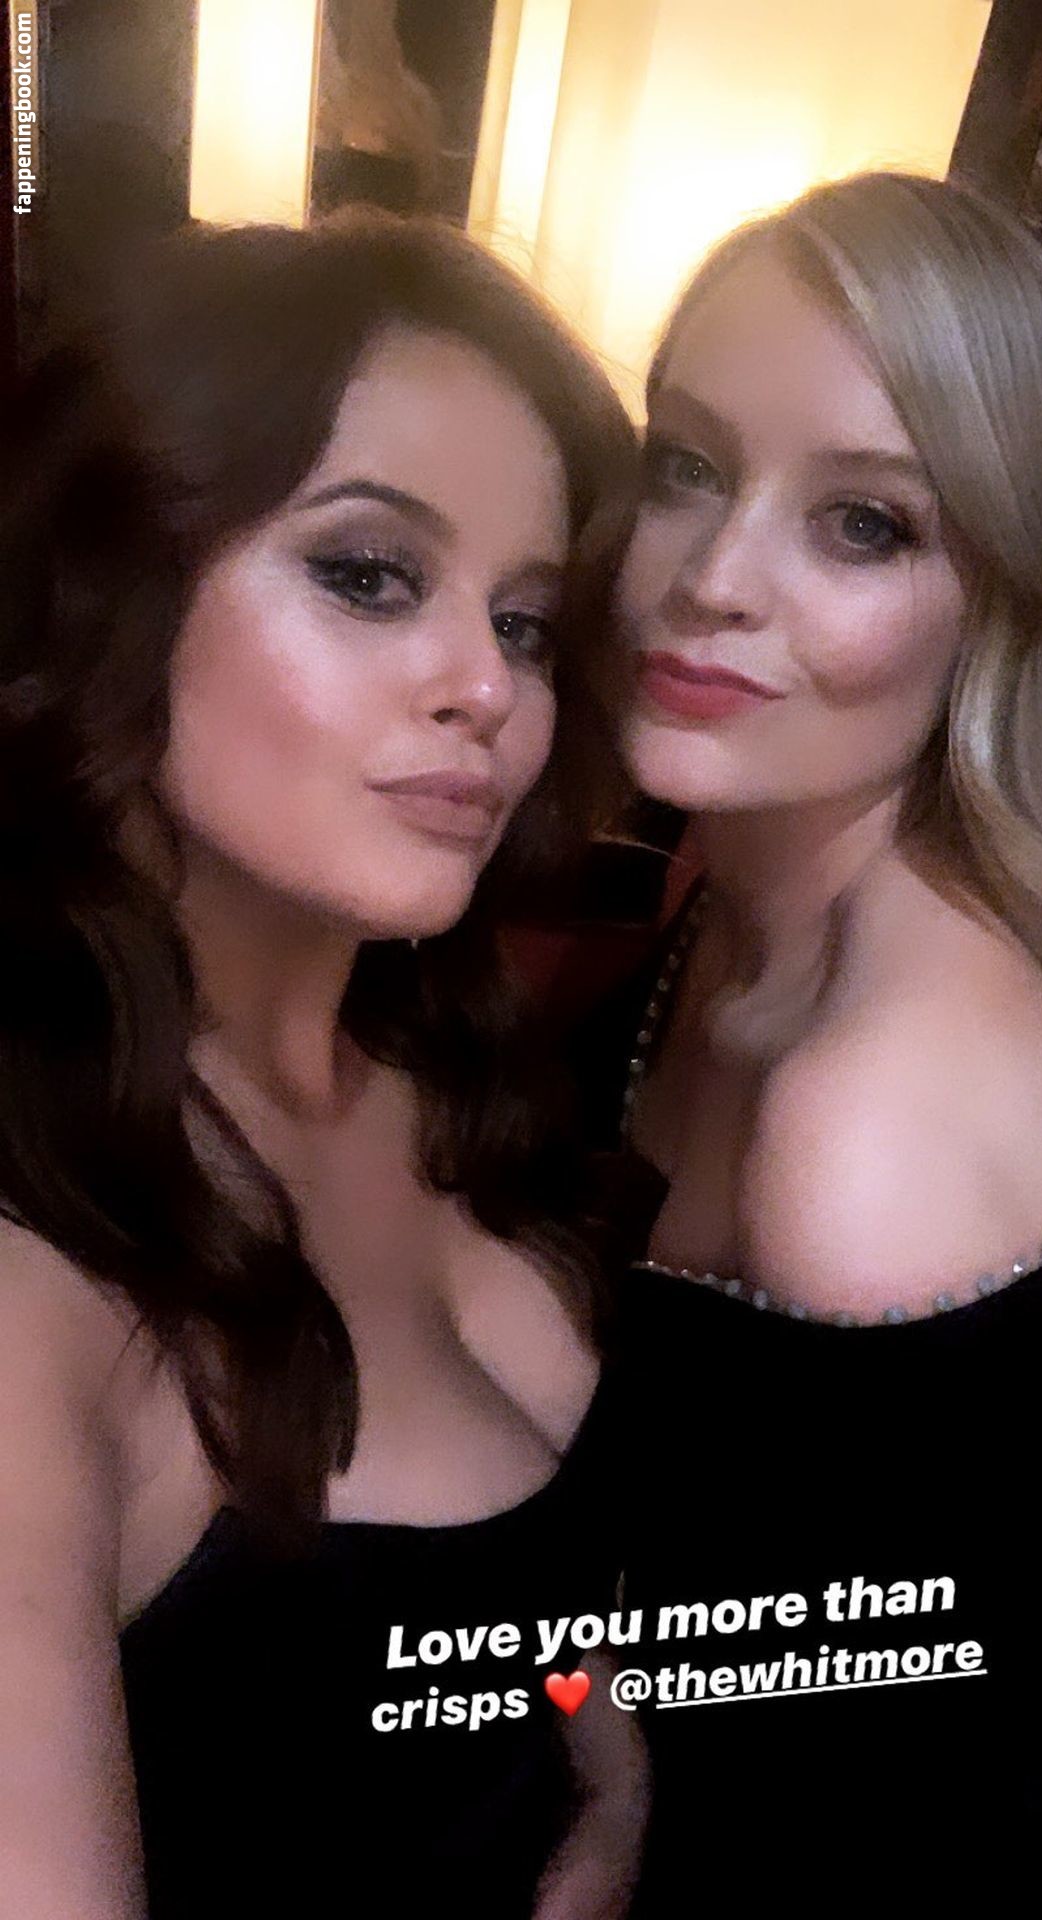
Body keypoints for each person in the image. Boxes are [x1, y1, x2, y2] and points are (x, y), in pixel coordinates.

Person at [0, 209, 645, 1920]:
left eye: (527, 623)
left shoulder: (464, 1078)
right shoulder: (32, 1254)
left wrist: (608, 1782)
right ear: (114, 588)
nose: (486, 687)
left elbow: (525, 1604)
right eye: (369, 574)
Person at [573, 172, 1042, 1904]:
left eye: (864, 525)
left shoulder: (861, 1120)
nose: (713, 580)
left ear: (1004, 593)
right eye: (686, 466)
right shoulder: (727, 894)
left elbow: (835, 1815)